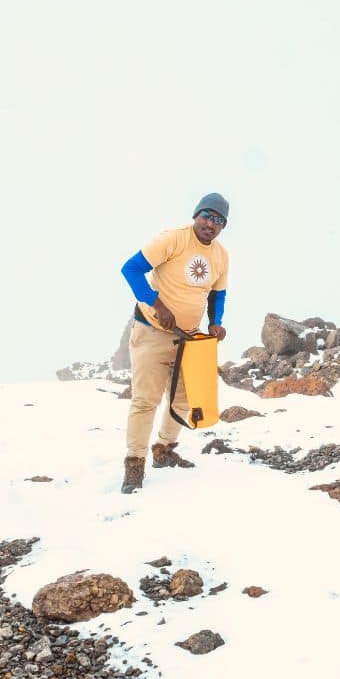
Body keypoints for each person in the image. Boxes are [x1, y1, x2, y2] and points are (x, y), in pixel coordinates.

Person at [119, 193, 230, 494]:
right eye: (207, 216)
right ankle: (134, 465)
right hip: (151, 332)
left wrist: (215, 321)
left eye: (219, 220)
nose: (211, 223)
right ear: (196, 215)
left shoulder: (221, 255)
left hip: (189, 338)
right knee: (145, 401)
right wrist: (158, 305)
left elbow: (217, 294)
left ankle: (164, 450)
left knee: (183, 399)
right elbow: (131, 269)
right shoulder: (173, 240)